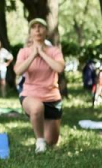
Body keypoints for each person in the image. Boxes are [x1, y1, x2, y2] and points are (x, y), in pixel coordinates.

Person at [14, 18, 65, 153]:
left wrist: (42, 53)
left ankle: (45, 139)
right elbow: (18, 71)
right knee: (37, 107)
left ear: (46, 31)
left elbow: (59, 68)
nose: (37, 29)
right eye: (34, 27)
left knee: (52, 142)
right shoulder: (24, 52)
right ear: (30, 32)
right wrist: (33, 55)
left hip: (52, 99)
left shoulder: (54, 51)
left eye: (40, 27)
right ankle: (39, 141)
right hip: (30, 96)